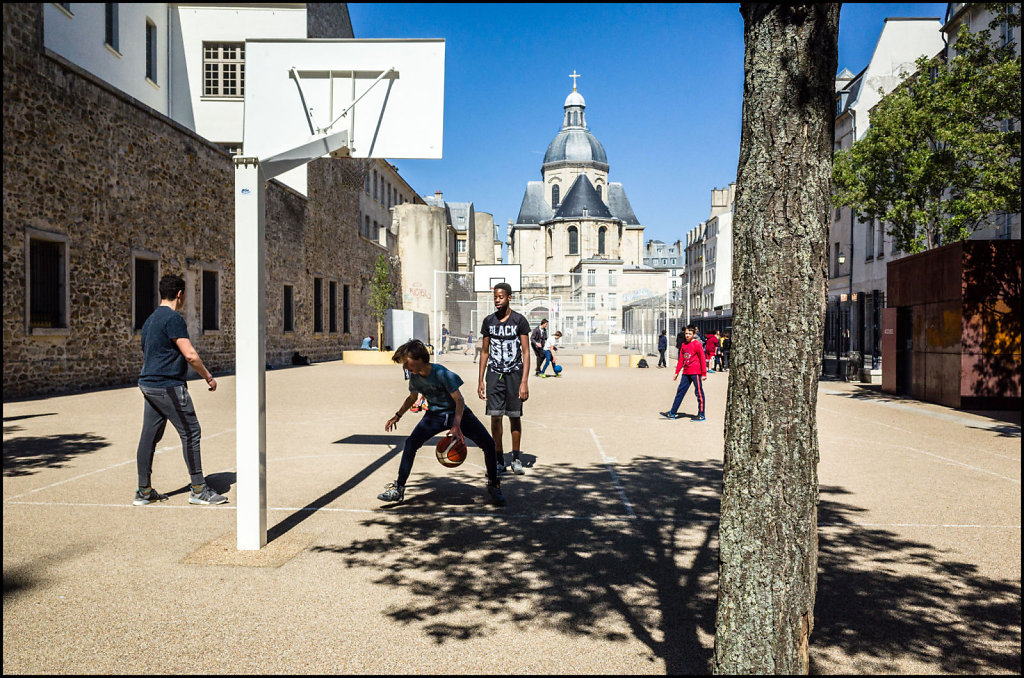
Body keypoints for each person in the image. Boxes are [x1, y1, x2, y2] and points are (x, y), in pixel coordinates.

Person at [133, 274, 227, 506]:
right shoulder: (173, 319)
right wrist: (208, 377)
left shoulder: (150, 320)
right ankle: (198, 489)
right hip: (167, 386)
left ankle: (143, 491)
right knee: (191, 432)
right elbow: (190, 354)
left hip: (148, 385)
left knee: (149, 437)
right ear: (179, 294)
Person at [378, 340, 505, 505]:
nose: (404, 367)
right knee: (410, 444)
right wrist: (398, 415)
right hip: (435, 415)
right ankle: (399, 489)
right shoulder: (415, 378)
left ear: (419, 358)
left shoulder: (442, 374)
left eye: (407, 362)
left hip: (459, 414)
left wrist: (457, 424)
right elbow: (412, 397)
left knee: (488, 444)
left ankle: (494, 484)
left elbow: (459, 400)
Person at [478, 282, 531, 475]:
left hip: (515, 374)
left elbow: (526, 353)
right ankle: (499, 459)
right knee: (495, 416)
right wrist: (480, 379)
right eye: (495, 297)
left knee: (514, 416)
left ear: (509, 297)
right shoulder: (488, 321)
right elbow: (485, 352)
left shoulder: (519, 321)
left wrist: (524, 381)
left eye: (500, 297)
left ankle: (516, 458)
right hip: (494, 373)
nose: (497, 300)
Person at [660, 325, 708, 421]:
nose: (687, 335)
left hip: (696, 373)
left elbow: (702, 359)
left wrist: (704, 373)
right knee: (680, 392)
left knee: (699, 393)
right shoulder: (683, 345)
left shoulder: (697, 344)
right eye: (686, 333)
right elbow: (681, 359)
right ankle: (672, 413)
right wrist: (677, 372)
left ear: (694, 334)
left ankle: (701, 414)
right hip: (686, 373)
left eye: (690, 334)